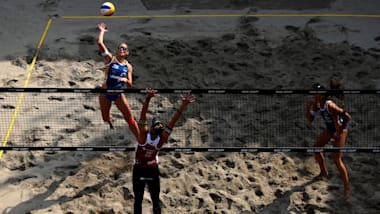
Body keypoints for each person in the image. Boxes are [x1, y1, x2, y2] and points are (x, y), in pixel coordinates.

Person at [133, 88, 195, 214]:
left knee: (138, 200)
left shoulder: (143, 137)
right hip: (152, 169)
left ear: (151, 128)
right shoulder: (161, 140)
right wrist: (183, 105)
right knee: (155, 200)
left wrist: (148, 98)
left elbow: (142, 116)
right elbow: (173, 121)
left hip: (139, 169)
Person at [306, 80, 352, 199]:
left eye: (315, 93)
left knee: (336, 159)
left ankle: (347, 187)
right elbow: (310, 120)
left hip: (340, 129)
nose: (313, 95)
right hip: (330, 129)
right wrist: (308, 109)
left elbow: (347, 117)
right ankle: (323, 172)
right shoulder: (317, 103)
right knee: (316, 148)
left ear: (321, 95)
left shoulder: (330, 105)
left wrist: (339, 132)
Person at [97, 22, 139, 139]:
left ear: (127, 52)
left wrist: (125, 80)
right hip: (105, 93)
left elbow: (130, 85)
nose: (121, 49)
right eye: (120, 48)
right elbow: (100, 43)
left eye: (124, 48)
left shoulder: (128, 66)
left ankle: (140, 139)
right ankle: (110, 124)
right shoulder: (110, 59)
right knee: (105, 118)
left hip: (118, 94)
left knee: (129, 118)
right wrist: (102, 31)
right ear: (117, 51)